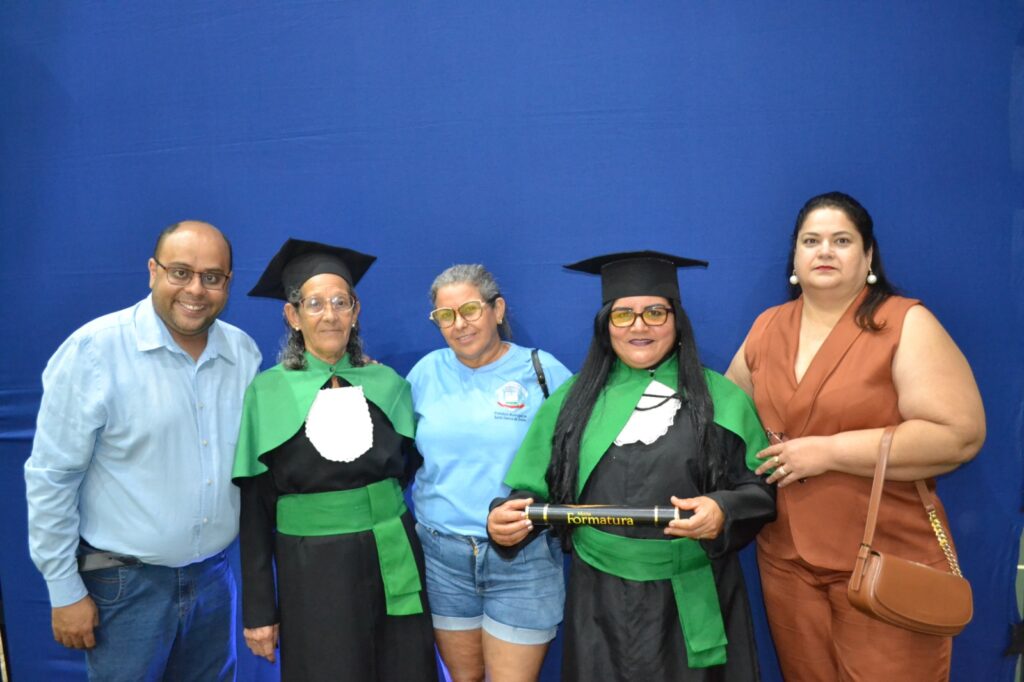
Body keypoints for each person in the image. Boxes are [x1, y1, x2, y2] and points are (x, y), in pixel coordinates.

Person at [725, 191, 986, 681]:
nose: (824, 251)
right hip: (786, 564)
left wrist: (829, 452)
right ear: (794, 259)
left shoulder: (905, 323)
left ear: (868, 258)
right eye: (811, 241)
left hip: (887, 561)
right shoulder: (767, 327)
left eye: (841, 240)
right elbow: (726, 417)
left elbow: (958, 436)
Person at [488, 251, 776, 682]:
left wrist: (723, 510)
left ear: (677, 321)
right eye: (623, 315)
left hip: (692, 597)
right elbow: (532, 491)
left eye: (655, 312)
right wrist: (506, 519)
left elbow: (759, 492)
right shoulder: (572, 402)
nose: (639, 326)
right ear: (606, 326)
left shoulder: (722, 399)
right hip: (598, 602)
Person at [24, 221, 262, 681]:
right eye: (180, 272)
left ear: (228, 283)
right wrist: (63, 588)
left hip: (214, 581)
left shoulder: (243, 355)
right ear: (153, 271)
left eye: (212, 277)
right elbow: (52, 476)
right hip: (123, 587)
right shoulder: (95, 352)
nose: (196, 289)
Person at [233, 238, 436, 681]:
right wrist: (259, 610)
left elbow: (408, 467)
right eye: (315, 303)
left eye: (341, 302)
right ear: (293, 316)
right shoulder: (267, 393)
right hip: (311, 572)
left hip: (391, 553)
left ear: (355, 311)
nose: (330, 314)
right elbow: (254, 511)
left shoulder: (387, 383)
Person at [407, 264, 572, 682]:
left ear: (497, 310)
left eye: (470, 310)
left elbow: (575, 459)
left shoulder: (543, 371)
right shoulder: (426, 372)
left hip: (523, 559)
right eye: (445, 316)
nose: (459, 324)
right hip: (442, 557)